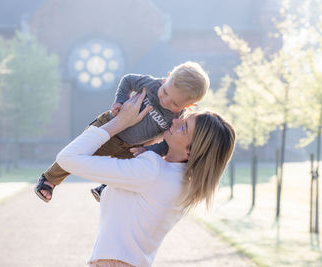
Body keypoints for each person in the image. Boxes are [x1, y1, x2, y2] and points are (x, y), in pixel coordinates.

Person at [56, 89, 236, 267]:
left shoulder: (152, 170)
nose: (175, 121)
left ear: (190, 151)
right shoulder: (183, 183)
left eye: (184, 127)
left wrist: (120, 122)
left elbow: (68, 158)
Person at [35, 61, 210, 202]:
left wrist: (148, 150)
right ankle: (50, 179)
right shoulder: (150, 84)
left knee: (128, 170)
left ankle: (105, 188)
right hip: (111, 130)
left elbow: (167, 143)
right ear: (167, 78)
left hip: (134, 146)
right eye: (164, 92)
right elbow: (127, 80)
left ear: (189, 106)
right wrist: (120, 100)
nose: (165, 101)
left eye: (174, 103)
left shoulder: (178, 118)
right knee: (82, 151)